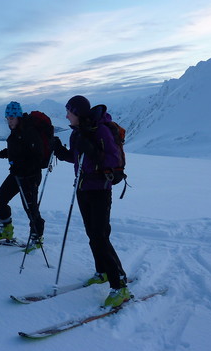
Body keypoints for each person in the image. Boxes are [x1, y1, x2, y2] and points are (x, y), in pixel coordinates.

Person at [53, 95, 132, 308]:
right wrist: (59, 151)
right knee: (92, 235)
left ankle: (120, 285)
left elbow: (112, 159)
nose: (66, 115)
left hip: (100, 190)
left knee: (100, 237)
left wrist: (91, 148)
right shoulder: (77, 133)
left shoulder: (101, 130)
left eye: (69, 111)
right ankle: (102, 272)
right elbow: (76, 157)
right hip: (82, 189)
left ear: (78, 113)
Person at [0, 101, 45, 253]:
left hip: (30, 176)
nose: (9, 120)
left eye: (12, 117)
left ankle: (37, 238)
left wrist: (23, 166)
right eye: (7, 118)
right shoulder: (16, 131)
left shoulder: (29, 131)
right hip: (17, 174)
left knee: (31, 209)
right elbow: (14, 151)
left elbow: (38, 156)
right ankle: (6, 229)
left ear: (19, 116)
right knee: (0, 199)